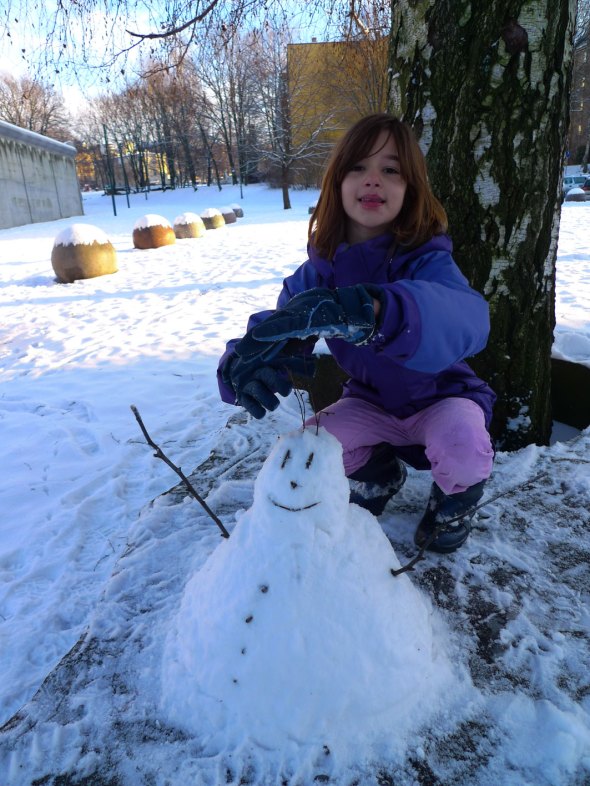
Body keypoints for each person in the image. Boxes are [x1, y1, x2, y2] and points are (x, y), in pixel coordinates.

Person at [217, 113, 495, 554]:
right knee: (311, 450)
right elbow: (279, 327)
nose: (373, 179)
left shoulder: (427, 259)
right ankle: (379, 474)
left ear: (411, 188)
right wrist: (242, 362)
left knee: (464, 447)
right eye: (358, 167)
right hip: (370, 403)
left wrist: (380, 311)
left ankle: (453, 502)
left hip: (442, 398)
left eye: (391, 169)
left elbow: (469, 318)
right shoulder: (317, 273)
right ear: (337, 182)